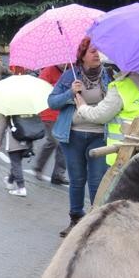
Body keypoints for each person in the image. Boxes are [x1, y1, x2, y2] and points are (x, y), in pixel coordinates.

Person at [47, 37, 114, 236]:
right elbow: (51, 102)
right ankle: (76, 219)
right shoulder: (70, 76)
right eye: (92, 51)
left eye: (99, 51)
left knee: (97, 181)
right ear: (82, 55)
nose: (97, 54)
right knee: (77, 180)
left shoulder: (109, 76)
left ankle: (94, 223)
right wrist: (70, 93)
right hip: (73, 135)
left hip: (99, 135)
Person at [33, 65, 69, 185]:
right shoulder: (48, 71)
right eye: (62, 62)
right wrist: (59, 89)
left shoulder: (71, 71)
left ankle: (58, 174)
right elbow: (40, 90)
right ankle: (38, 167)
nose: (65, 64)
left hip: (64, 114)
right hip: (49, 113)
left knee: (63, 143)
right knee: (54, 141)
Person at [0, 112, 31, 197]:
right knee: (16, 164)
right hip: (27, 141)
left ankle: (21, 188)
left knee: (16, 164)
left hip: (14, 142)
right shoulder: (27, 107)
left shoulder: (7, 110)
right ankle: (10, 182)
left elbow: (1, 128)